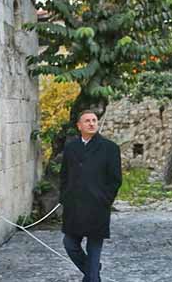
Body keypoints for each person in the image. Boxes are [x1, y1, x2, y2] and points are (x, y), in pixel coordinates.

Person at [59, 110, 122, 282]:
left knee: (94, 249)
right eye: (87, 121)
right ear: (79, 126)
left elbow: (115, 180)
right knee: (70, 244)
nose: (92, 123)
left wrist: (105, 199)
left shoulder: (110, 148)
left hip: (97, 207)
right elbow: (64, 175)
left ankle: (92, 274)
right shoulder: (71, 148)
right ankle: (92, 269)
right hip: (74, 207)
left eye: (94, 120)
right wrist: (64, 197)